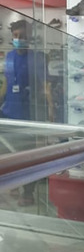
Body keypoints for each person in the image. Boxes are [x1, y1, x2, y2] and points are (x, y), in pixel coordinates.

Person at [0, 19, 52, 205]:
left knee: (28, 155)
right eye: (16, 36)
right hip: (9, 111)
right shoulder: (9, 57)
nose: (19, 39)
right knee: (8, 151)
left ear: (30, 37)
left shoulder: (37, 58)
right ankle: (12, 183)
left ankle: (28, 192)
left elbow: (45, 86)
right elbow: (7, 83)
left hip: (28, 113)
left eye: (22, 36)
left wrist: (51, 110)